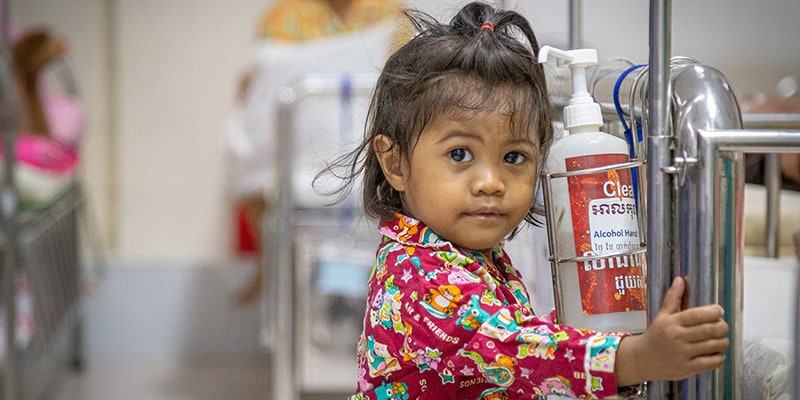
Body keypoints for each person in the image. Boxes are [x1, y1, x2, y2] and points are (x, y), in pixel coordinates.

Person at [317, 2, 730, 398]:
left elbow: (511, 347)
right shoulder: (423, 282)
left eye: (514, 157)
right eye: (460, 154)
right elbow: (521, 351)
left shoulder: (461, 255)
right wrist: (639, 358)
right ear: (396, 162)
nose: (491, 182)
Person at [229, 0, 408, 305]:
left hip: (368, 135)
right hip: (300, 146)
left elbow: (407, 76)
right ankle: (272, 264)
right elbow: (258, 89)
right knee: (243, 150)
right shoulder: (284, 18)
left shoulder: (389, 13)